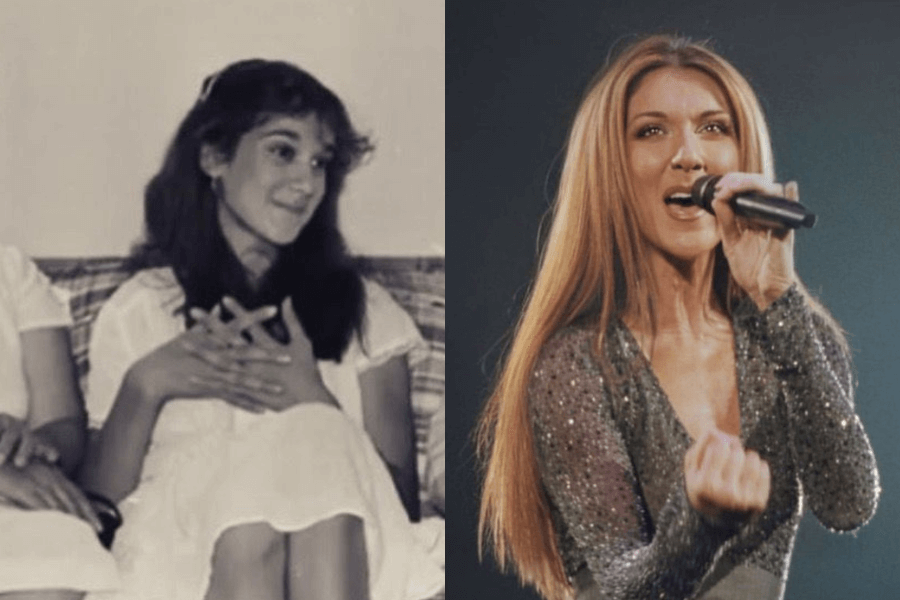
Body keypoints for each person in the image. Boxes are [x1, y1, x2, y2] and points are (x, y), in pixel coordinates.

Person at [477, 35, 879, 600]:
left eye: (714, 128)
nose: (689, 155)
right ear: (610, 169)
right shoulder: (575, 365)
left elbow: (848, 503)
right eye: (652, 130)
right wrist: (700, 523)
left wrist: (777, 298)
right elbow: (622, 587)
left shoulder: (793, 338)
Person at [79, 59, 444, 600]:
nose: (307, 181)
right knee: (255, 512)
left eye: (320, 162)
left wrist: (312, 399)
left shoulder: (366, 312)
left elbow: (398, 508)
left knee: (314, 432)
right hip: (182, 565)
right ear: (214, 157)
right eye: (283, 150)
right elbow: (97, 510)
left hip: (346, 561)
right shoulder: (143, 308)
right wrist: (147, 385)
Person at [0, 244, 118, 600]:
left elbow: (62, 423)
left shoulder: (10, 270)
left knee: (61, 550)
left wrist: (33, 453)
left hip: (13, 498)